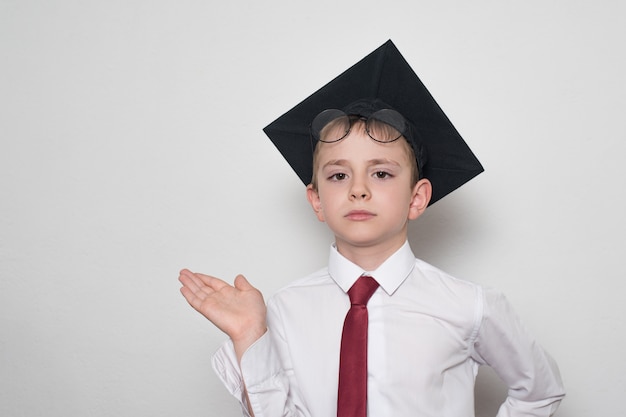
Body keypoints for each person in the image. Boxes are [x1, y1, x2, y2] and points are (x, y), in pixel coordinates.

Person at [178, 41, 565, 417]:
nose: (358, 189)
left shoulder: (468, 305)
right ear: (316, 200)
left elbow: (540, 391)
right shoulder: (283, 309)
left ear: (417, 198)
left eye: (381, 173)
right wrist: (249, 334)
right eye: (339, 174)